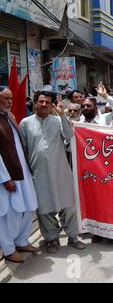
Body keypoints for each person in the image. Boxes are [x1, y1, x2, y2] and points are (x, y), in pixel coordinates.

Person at [19, 90, 86, 254]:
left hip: (61, 171)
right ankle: (52, 239)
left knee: (69, 206)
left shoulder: (58, 120)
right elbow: (23, 149)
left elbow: (70, 135)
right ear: (35, 103)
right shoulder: (25, 123)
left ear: (51, 105)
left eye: (47, 102)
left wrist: (63, 115)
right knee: (45, 209)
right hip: (39, 174)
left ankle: (72, 237)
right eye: (41, 102)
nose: (44, 105)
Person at [0, 87, 38, 263]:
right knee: (10, 214)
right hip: (8, 176)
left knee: (29, 206)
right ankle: (8, 249)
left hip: (23, 171)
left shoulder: (10, 116)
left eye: (11, 98)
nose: (9, 102)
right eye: (5, 98)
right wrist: (5, 178)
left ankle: (21, 241)